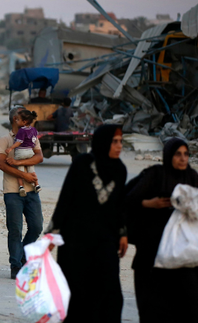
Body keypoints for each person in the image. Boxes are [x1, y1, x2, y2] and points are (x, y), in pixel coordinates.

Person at [126, 138, 198, 323]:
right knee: (154, 311)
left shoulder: (191, 177)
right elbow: (124, 199)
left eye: (186, 154)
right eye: (178, 154)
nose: (183, 159)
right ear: (168, 155)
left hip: (183, 258)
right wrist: (148, 203)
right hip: (152, 258)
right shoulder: (154, 175)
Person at [47, 124, 128, 323]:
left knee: (111, 295)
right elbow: (65, 198)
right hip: (76, 243)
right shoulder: (82, 164)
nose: (119, 146)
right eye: (114, 142)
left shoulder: (120, 170)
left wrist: (123, 232)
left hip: (106, 241)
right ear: (103, 142)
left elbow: (120, 205)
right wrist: (52, 233)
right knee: (78, 295)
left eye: (121, 142)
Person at [0, 106, 44, 279]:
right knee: (15, 229)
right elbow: (1, 164)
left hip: (32, 190)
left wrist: (18, 162)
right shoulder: (5, 139)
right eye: (23, 117)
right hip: (12, 191)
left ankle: (23, 256)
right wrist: (24, 174)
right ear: (15, 119)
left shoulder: (32, 134)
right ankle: (16, 265)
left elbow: (39, 157)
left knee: (37, 226)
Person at [5, 110, 43, 196]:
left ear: (24, 121)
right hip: (30, 152)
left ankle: (21, 187)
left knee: (20, 170)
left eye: (18, 119)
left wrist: (11, 148)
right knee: (31, 169)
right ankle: (37, 185)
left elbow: (19, 141)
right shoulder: (34, 130)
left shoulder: (21, 130)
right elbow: (35, 139)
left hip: (21, 152)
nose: (17, 121)